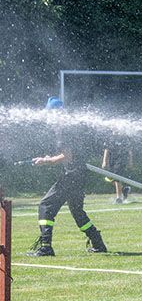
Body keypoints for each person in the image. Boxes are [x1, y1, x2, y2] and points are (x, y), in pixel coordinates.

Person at [27, 97, 107, 257]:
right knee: (77, 211)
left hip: (71, 176)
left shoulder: (63, 130)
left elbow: (67, 156)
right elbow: (70, 154)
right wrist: (51, 157)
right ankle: (98, 243)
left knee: (45, 206)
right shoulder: (69, 127)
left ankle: (45, 247)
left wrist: (46, 160)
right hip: (79, 175)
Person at [101, 131, 133, 204]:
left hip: (121, 160)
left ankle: (119, 197)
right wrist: (104, 161)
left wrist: (130, 161)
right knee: (109, 178)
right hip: (112, 160)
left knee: (116, 176)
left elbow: (129, 151)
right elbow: (107, 150)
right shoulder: (110, 138)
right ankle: (124, 189)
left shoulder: (124, 138)